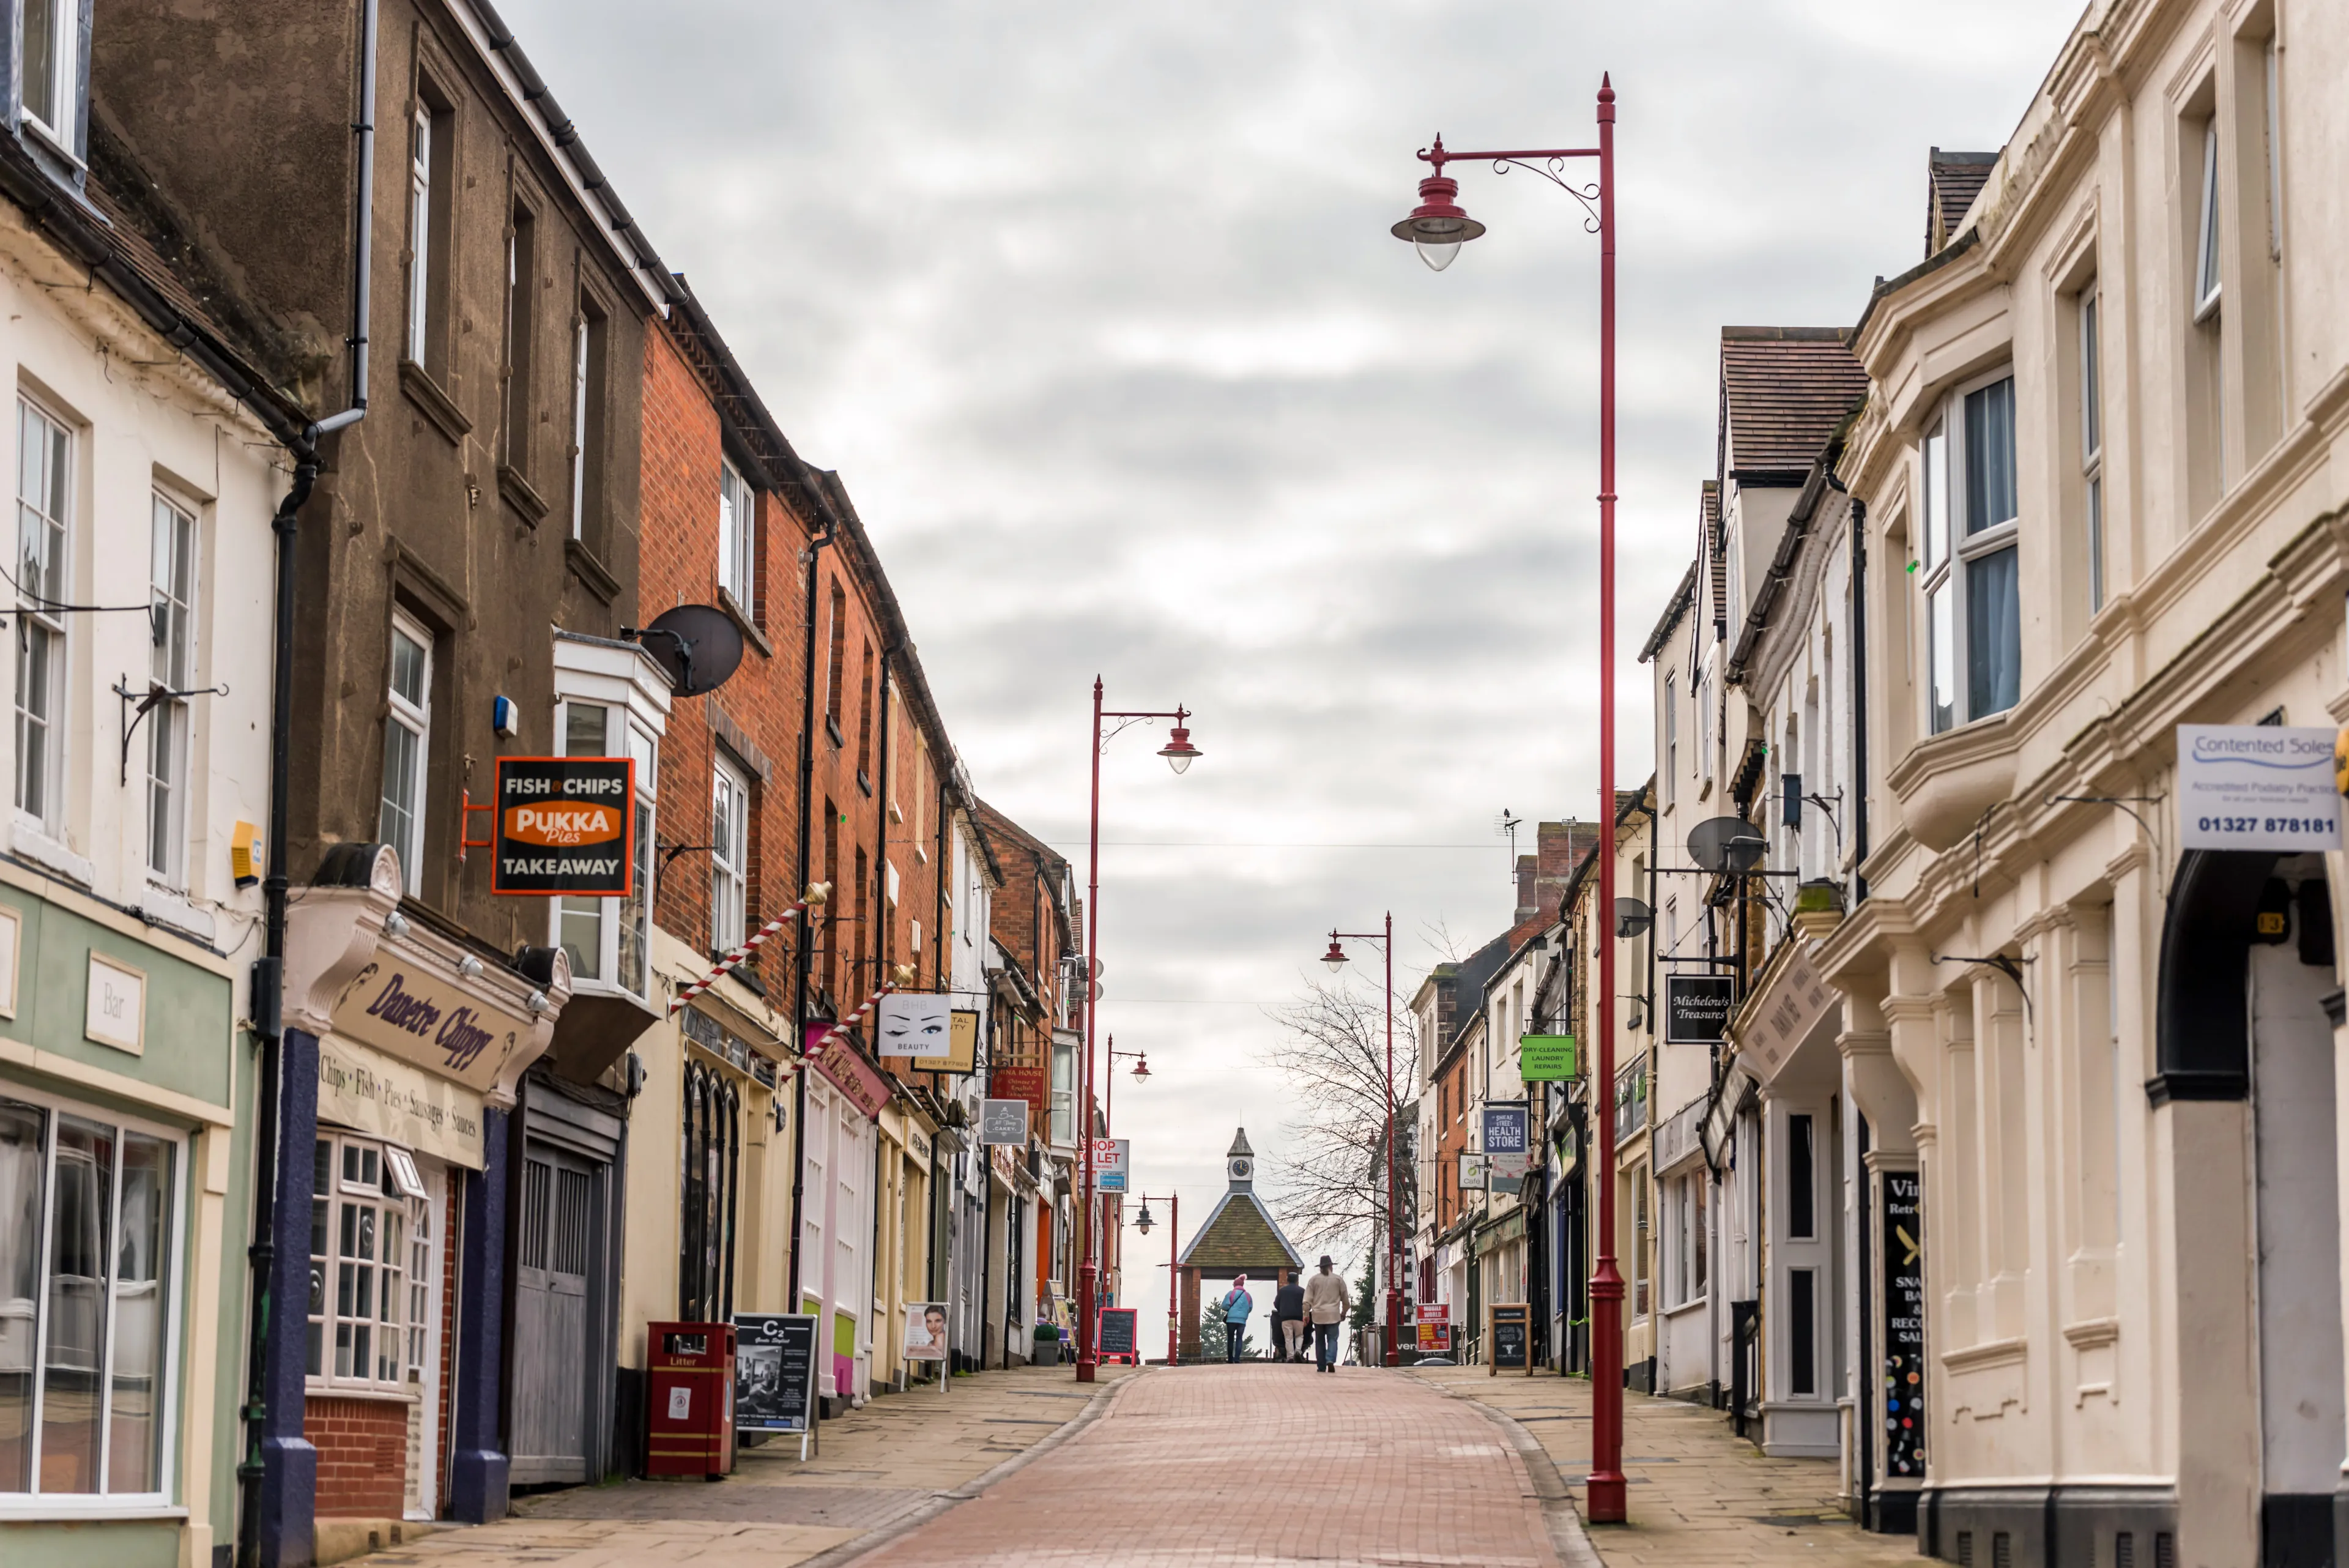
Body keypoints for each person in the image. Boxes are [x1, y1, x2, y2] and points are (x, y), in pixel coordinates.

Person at [1302, 1255, 1350, 1373]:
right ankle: (1330, 1360)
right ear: (1331, 1266)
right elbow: (1346, 1301)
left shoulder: (1313, 1281)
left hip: (1318, 1315)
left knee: (1320, 1340)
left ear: (1320, 1268)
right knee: (1333, 1339)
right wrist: (1343, 1313)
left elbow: (1307, 1300)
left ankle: (1321, 1366)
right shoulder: (1338, 1280)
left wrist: (1306, 1314)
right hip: (1333, 1315)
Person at [1220, 1275, 1254, 1362]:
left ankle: (1230, 1359)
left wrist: (1231, 1309)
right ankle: (1237, 1359)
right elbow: (1250, 1308)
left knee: (1231, 1339)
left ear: (1235, 1285)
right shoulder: (1248, 1295)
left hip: (1231, 1319)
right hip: (1242, 1320)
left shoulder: (1231, 1293)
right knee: (1239, 1338)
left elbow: (1224, 1306)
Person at [1272, 1277, 1306, 1362]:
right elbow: (1306, 1303)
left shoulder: (1282, 1291)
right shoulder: (1302, 1291)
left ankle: (1290, 1357)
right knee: (1299, 1335)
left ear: (1288, 1280)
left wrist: (1281, 1311)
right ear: (1297, 1280)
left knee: (1288, 1337)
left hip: (1285, 1318)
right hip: (1299, 1317)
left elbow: (1276, 1304)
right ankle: (1298, 1352)